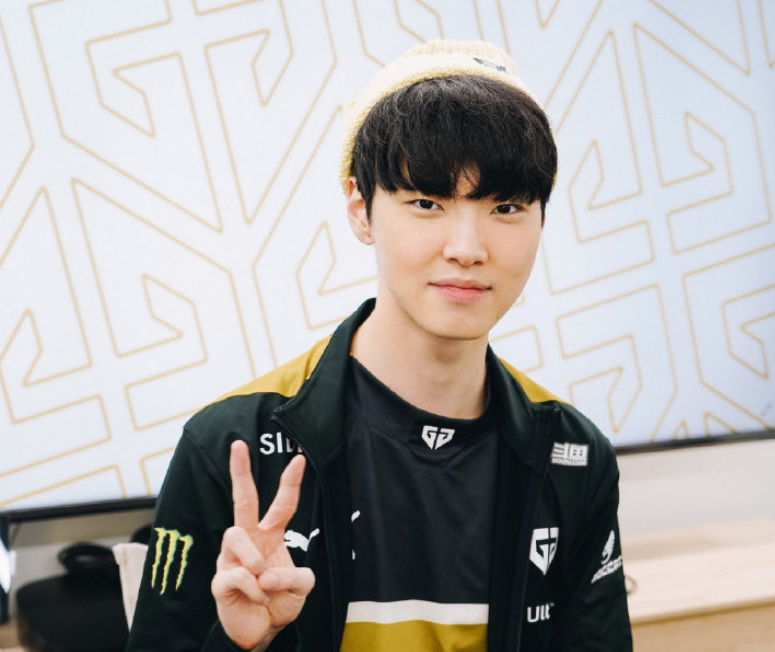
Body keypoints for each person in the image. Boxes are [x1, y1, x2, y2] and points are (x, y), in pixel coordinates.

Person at [127, 39, 632, 652]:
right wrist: (245, 645)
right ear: (360, 210)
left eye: (506, 207)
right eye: (426, 203)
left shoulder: (573, 454)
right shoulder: (229, 443)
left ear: (541, 220)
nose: (468, 248)